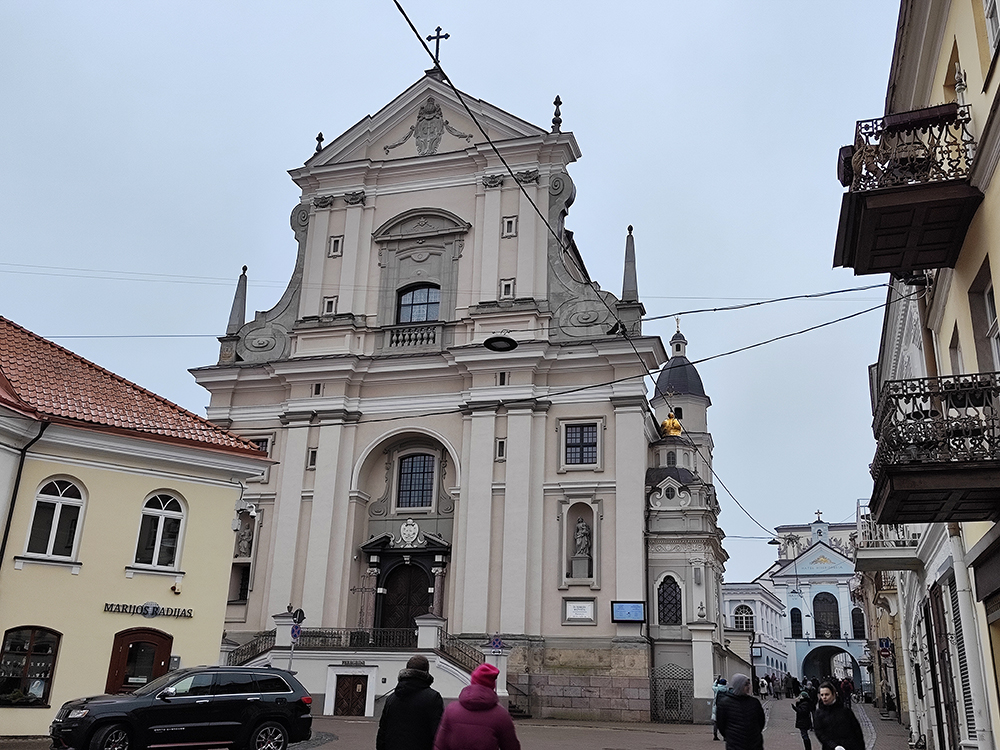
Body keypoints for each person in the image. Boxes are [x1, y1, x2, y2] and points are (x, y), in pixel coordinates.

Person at [434, 663, 520, 750]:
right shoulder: (501, 715)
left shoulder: (451, 710)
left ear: (472, 682)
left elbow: (440, 745)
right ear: (492, 686)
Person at [377, 654, 444, 750]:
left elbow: (382, 732)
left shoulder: (392, 698)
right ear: (426, 672)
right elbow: (438, 734)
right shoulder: (433, 698)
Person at [715, 673, 765, 750]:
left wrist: (755, 733)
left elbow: (761, 721)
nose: (748, 687)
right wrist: (730, 735)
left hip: (754, 744)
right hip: (735, 744)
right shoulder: (724, 703)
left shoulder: (754, 702)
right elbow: (721, 724)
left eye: (749, 684)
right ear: (738, 685)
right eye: (745, 684)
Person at [813, 680, 864, 750]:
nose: (824, 697)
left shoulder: (845, 711)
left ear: (834, 694)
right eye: (822, 695)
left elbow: (857, 731)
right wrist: (834, 746)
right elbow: (820, 733)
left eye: (827, 694)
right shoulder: (819, 713)